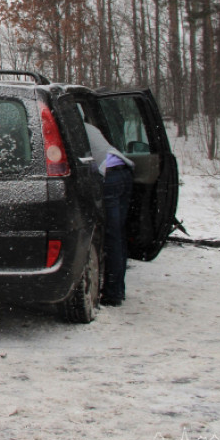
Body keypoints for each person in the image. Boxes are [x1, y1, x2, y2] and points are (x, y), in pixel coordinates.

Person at [84, 122, 135, 307]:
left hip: (109, 177)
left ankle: (113, 294)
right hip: (124, 171)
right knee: (118, 234)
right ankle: (118, 289)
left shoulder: (74, 128)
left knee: (112, 236)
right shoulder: (91, 127)